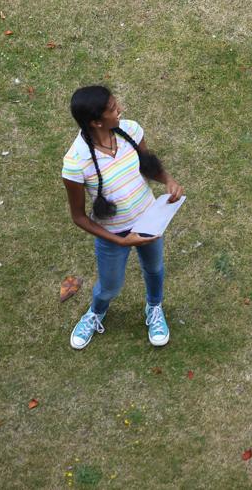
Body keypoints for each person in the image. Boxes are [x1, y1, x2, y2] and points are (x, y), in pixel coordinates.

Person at [62, 86, 184, 349]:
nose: (121, 111)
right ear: (96, 122)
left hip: (149, 221)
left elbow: (147, 164)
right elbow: (79, 217)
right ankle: (96, 312)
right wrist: (118, 242)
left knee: (154, 269)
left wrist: (168, 180)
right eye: (114, 109)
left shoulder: (130, 130)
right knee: (110, 287)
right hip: (113, 235)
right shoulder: (75, 163)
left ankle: (154, 308)